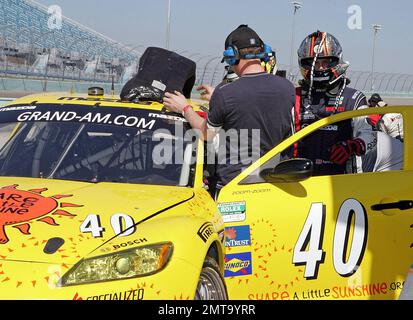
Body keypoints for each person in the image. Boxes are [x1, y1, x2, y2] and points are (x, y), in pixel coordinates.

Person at [163, 24, 295, 192]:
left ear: (232, 56)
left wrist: (184, 108)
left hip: (235, 187)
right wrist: (217, 99)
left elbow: (206, 134)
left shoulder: (225, 93)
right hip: (274, 185)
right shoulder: (287, 88)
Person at [293, 30, 376, 176]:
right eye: (314, 63)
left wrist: (352, 146)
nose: (319, 68)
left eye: (325, 62)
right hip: (301, 179)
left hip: (342, 181)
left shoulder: (354, 98)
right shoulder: (295, 96)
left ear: (336, 61)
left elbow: (370, 138)